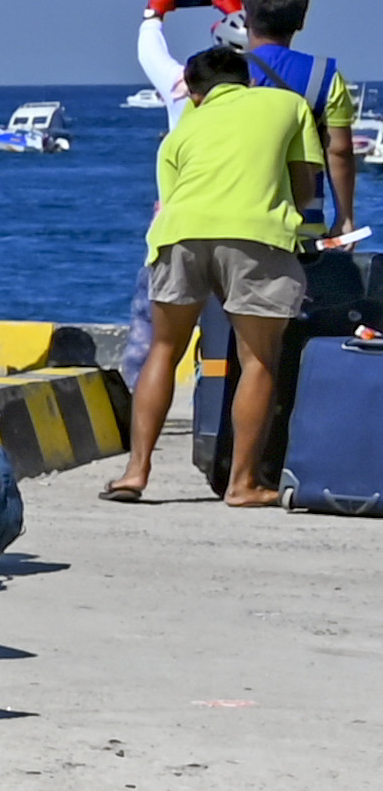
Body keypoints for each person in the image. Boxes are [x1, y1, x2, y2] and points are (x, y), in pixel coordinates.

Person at [109, 40, 328, 506]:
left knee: (163, 351)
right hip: (256, 235)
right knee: (259, 360)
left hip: (179, 234)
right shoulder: (288, 105)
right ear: (246, 80)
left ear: (194, 93)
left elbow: (171, 197)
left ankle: (135, 472)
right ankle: (242, 484)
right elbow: (305, 186)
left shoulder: (182, 130)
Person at [237, 0, 357, 241]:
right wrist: (345, 218)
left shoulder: (222, 72)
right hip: (301, 225)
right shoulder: (324, 76)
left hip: (234, 224)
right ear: (300, 23)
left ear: (247, 19)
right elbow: (339, 151)